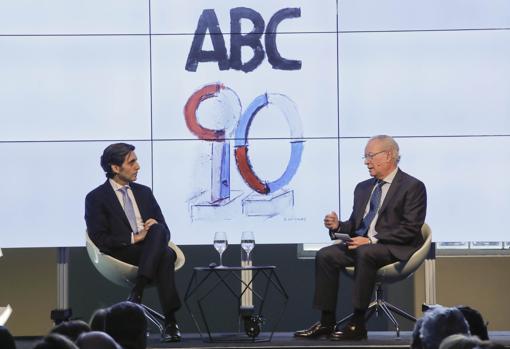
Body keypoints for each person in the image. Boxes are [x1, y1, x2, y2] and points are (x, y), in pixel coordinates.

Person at [295, 135, 427, 340]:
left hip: (393, 247)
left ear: (389, 155)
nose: (366, 162)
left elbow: (410, 228)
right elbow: (356, 226)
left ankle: (357, 323)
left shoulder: (412, 186)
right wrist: (338, 226)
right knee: (325, 255)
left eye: (370, 156)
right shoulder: (363, 187)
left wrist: (372, 240)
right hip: (363, 246)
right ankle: (327, 322)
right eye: (365, 157)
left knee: (366, 252)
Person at [85, 143, 181, 342]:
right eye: (132, 162)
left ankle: (138, 291)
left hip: (149, 249)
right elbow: (100, 238)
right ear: (115, 168)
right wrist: (133, 238)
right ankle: (170, 322)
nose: (138, 166)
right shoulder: (96, 198)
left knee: (159, 232)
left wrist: (152, 228)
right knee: (166, 255)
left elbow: (165, 231)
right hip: (122, 251)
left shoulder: (144, 192)